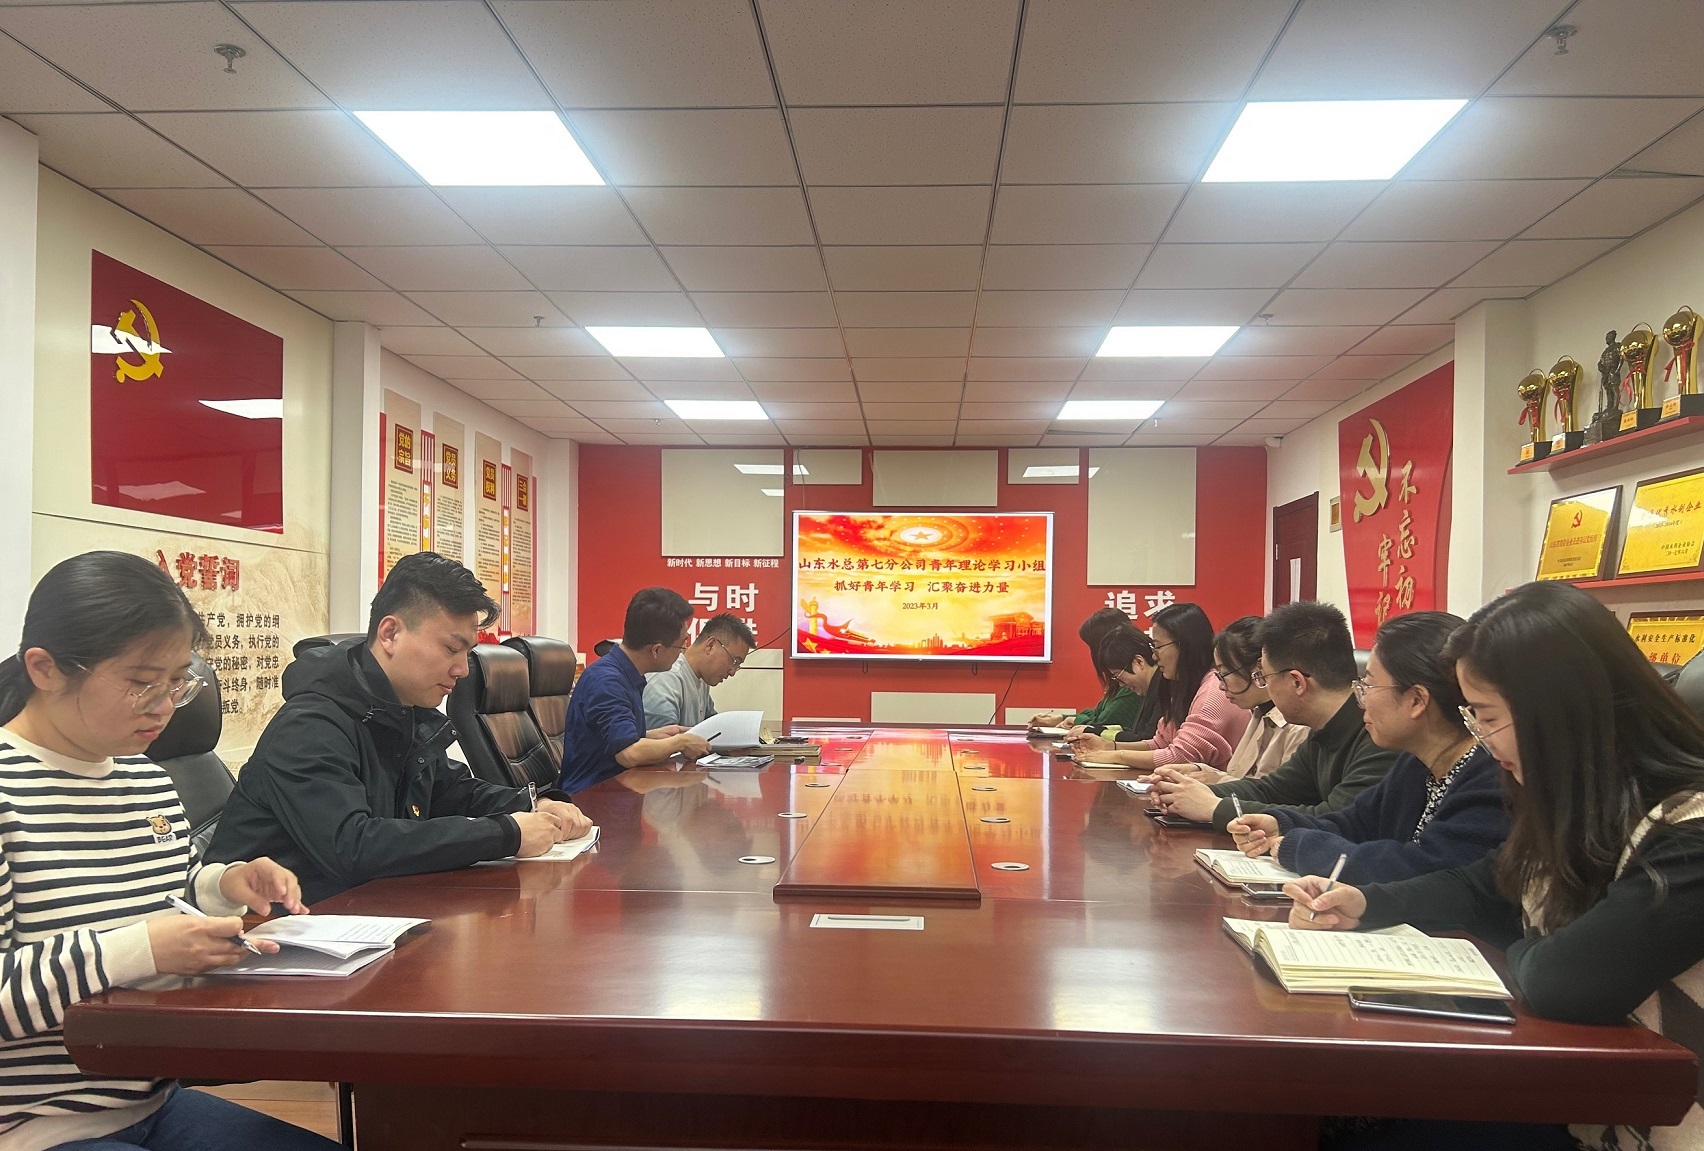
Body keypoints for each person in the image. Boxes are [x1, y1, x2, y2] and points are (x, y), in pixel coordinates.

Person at [1284, 582, 1704, 1151]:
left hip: (1643, 1124)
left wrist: (1522, 947)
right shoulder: (1573, 800)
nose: (1479, 739)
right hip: (1571, 1092)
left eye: (1485, 716)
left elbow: (1563, 982)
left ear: (1555, 714)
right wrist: (1368, 903)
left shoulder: (1689, 830)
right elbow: (1484, 883)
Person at [0, 550, 339, 1151]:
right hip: (33, 1125)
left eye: (178, 682)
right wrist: (142, 949)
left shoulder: (146, 778)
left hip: (153, 1099)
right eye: (140, 684)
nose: (163, 707)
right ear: (45, 669)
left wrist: (225, 885)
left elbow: (164, 895)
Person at [209, 552, 589, 903]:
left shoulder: (401, 709)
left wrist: (533, 804)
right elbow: (352, 847)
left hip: (369, 914)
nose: (461, 669)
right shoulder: (310, 725)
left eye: (467, 653)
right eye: (451, 649)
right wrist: (507, 834)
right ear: (390, 634)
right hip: (276, 932)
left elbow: (451, 790)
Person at [1228, 611, 1508, 884]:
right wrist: (1281, 825)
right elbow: (1355, 823)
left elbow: (1422, 868)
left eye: (1369, 685)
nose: (1360, 699)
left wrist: (1300, 846)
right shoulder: (1416, 763)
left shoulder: (1489, 777)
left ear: (1416, 701)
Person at [1148, 600, 1398, 831]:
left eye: (1263, 677)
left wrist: (1215, 807)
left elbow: (1336, 818)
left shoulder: (1379, 736)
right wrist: (1193, 794)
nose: (1263, 686)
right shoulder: (1323, 730)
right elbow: (1272, 790)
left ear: (1296, 682)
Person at [559, 588, 713, 794]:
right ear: (656, 650)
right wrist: (680, 742)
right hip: (591, 799)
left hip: (619, 792)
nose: (682, 653)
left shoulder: (625, 675)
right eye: (680, 646)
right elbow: (628, 754)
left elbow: (610, 741)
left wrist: (653, 736)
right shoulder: (607, 681)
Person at [1064, 603, 1249, 771]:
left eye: (1158, 646)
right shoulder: (1182, 688)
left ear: (1184, 646)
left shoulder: (1213, 692)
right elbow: (1160, 743)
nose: (1154, 656)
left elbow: (1180, 756)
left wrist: (1114, 756)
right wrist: (1109, 747)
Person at [1174, 615, 1309, 784]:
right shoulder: (1260, 713)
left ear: (1260, 669)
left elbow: (1279, 794)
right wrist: (1200, 771)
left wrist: (1217, 781)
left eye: (1225, 673)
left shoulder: (1299, 726)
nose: (1221, 686)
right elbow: (1241, 777)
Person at [1029, 608, 1146, 733]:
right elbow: (1097, 713)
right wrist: (1060, 718)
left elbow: (1103, 724)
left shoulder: (1131, 683)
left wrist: (1075, 721)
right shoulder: (1121, 681)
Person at [643, 612, 755, 730]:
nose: (732, 672)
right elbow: (664, 739)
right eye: (734, 661)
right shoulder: (667, 680)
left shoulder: (701, 680)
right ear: (710, 645)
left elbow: (714, 726)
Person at [1090, 627, 1163, 743]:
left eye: (1118, 676)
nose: (1121, 685)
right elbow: (1137, 732)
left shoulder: (1164, 688)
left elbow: (1147, 739)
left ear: (1139, 662)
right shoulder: (1150, 686)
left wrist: (1097, 733)